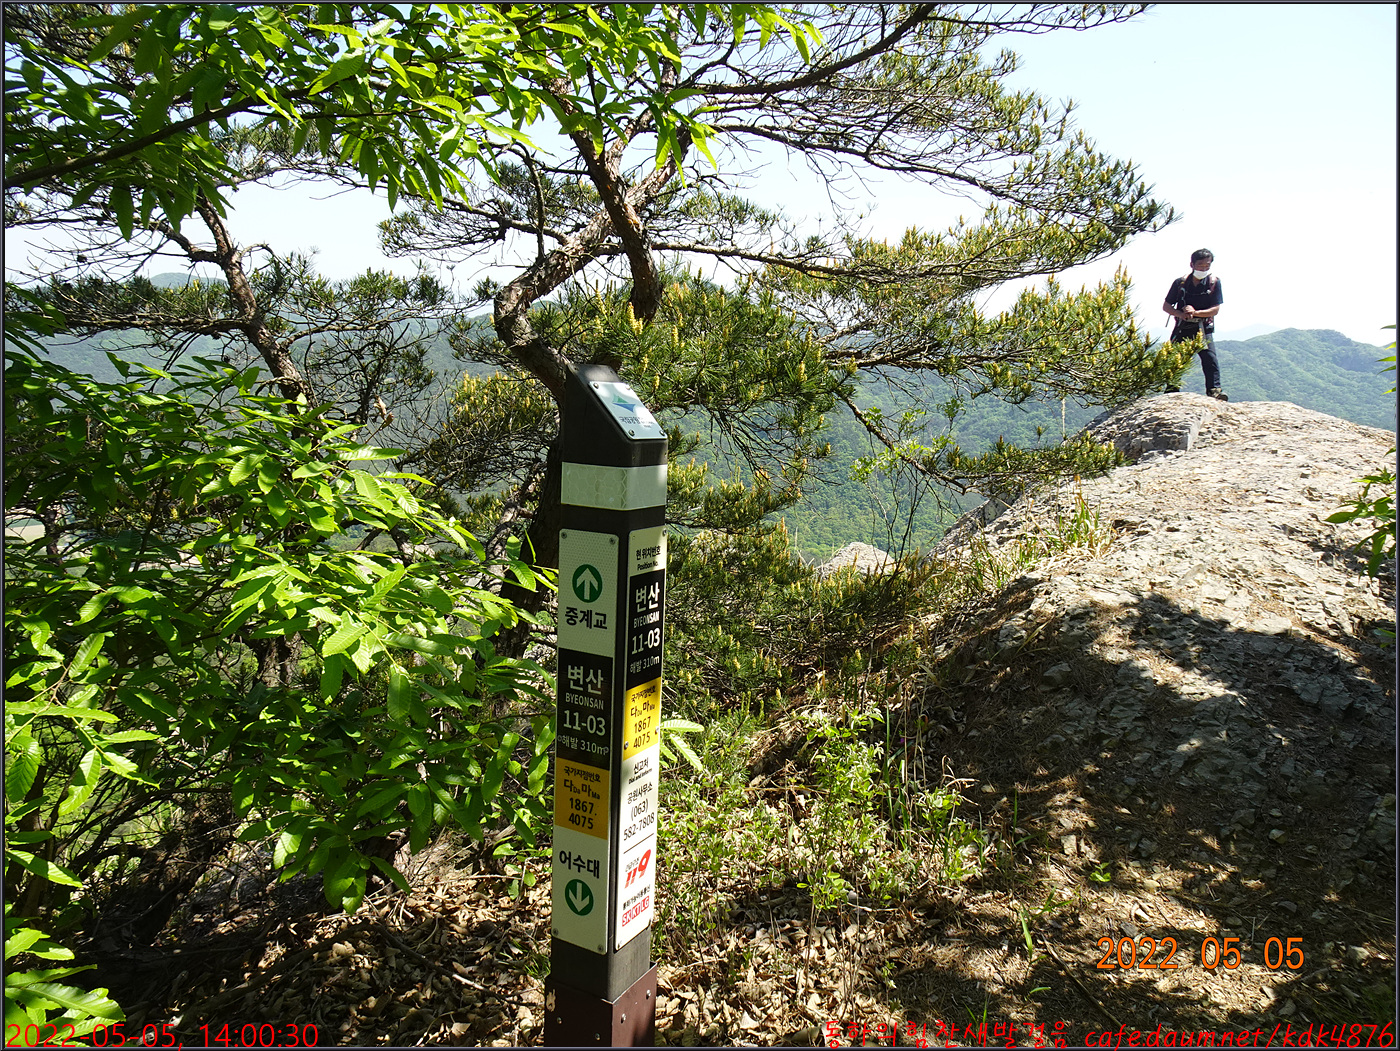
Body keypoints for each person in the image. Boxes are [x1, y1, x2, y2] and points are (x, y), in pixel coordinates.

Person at [1162, 248, 1226, 400]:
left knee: (1209, 359)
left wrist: (1195, 312)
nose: (1203, 269)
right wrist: (1181, 314)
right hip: (1182, 327)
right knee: (1174, 358)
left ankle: (1214, 390)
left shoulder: (1213, 283)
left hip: (1203, 328)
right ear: (1192, 264)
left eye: (1207, 265)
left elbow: (1215, 309)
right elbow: (1166, 306)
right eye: (1200, 265)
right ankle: (1171, 389)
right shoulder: (1180, 283)